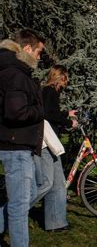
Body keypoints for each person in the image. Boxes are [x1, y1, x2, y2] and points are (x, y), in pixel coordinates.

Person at [0, 29, 45, 247]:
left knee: (31, 193)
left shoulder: (12, 70)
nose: (39, 58)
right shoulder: (16, 74)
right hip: (15, 146)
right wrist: (40, 109)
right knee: (19, 206)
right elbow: (16, 112)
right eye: (38, 52)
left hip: (15, 144)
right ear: (27, 49)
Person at [31, 65, 77, 232]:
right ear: (60, 78)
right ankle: (12, 210)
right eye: (65, 79)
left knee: (58, 184)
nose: (66, 83)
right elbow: (49, 115)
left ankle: (57, 222)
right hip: (45, 142)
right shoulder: (51, 92)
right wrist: (69, 122)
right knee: (47, 183)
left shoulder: (47, 91)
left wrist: (66, 114)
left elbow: (51, 113)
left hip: (51, 141)